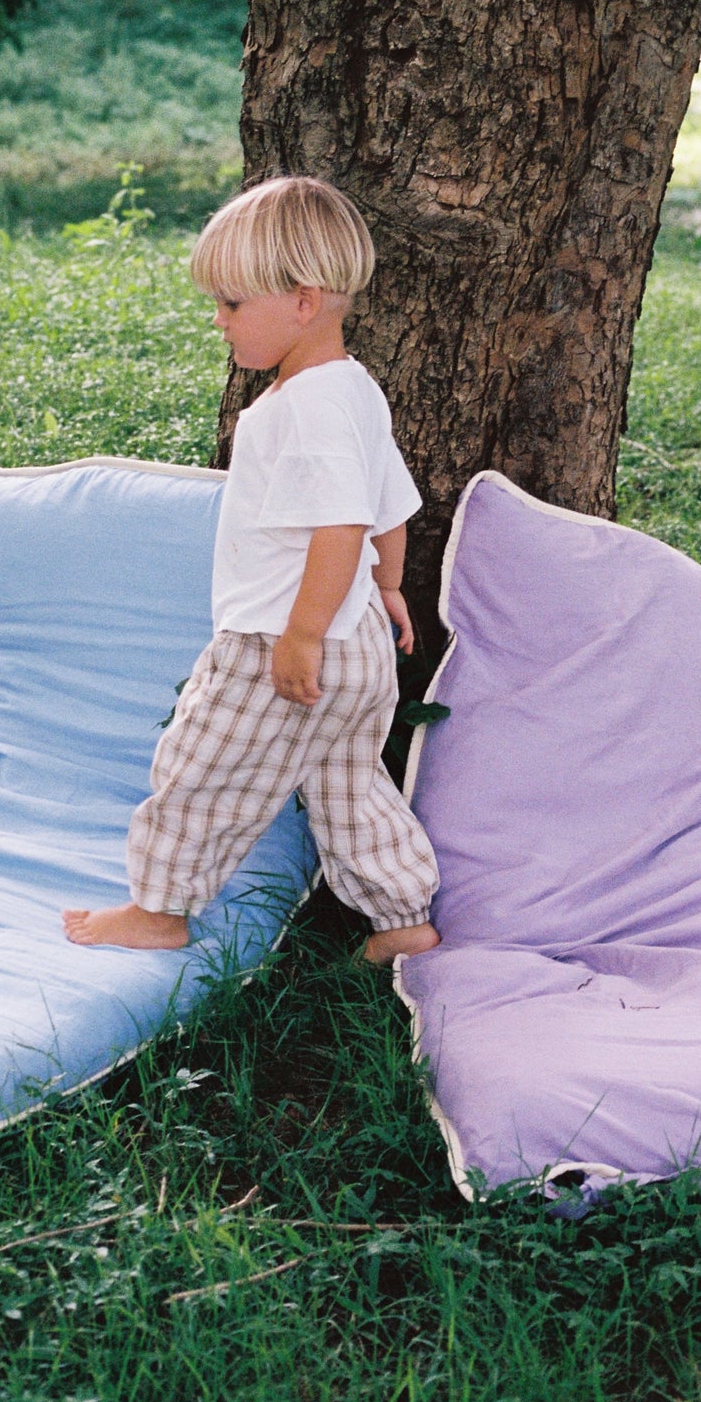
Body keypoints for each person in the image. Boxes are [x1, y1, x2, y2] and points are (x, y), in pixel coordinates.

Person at [63, 175, 440, 964]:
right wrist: (385, 589)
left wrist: (302, 635)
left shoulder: (303, 407)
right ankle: (401, 919)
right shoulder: (354, 390)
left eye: (231, 304)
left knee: (199, 768)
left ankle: (158, 909)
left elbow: (342, 524)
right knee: (348, 785)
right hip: (359, 641)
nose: (218, 319)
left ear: (302, 301)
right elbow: (389, 509)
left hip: (282, 640)